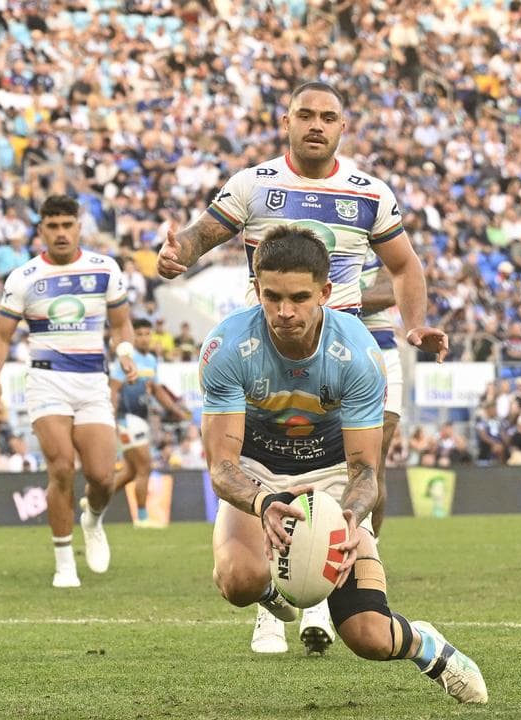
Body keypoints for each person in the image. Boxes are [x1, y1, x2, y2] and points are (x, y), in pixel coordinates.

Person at [156, 80, 448, 656]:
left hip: (353, 348)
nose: (317, 125)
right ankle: (274, 595)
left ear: (343, 127)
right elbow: (200, 235)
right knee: (268, 458)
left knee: (369, 461)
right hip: (273, 342)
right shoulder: (254, 184)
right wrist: (178, 253)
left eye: (329, 117)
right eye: (306, 115)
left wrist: (414, 325)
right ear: (286, 121)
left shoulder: (368, 193)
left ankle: (321, 575)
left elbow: (405, 266)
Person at [200, 227, 486, 703]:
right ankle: (273, 594)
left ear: (325, 293)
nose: (284, 312)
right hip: (260, 472)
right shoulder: (227, 346)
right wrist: (266, 500)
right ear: (256, 289)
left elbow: (365, 472)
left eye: (299, 297)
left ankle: (430, 646)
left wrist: (351, 517)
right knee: (237, 582)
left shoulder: (356, 354)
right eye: (271, 296)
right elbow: (223, 466)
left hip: (333, 477)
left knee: (369, 636)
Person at [0, 194, 136, 589]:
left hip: (92, 383)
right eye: (53, 226)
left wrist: (127, 351)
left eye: (68, 225)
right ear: (41, 230)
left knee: (102, 476)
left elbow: (121, 325)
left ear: (79, 226)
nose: (61, 233)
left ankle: (93, 519)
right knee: (62, 467)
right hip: (47, 380)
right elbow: (1, 336)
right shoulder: (23, 277)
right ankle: (64, 562)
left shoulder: (105, 269)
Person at [110, 317, 189, 528]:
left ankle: (93, 500)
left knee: (130, 471)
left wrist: (175, 410)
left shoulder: (152, 361)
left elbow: (157, 390)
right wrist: (113, 420)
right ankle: (143, 518)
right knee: (145, 466)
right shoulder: (127, 359)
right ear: (133, 337)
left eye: (147, 334)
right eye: (140, 334)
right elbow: (114, 390)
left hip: (142, 419)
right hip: (127, 418)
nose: (144, 338)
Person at [357, 249, 404, 537]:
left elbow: (391, 291)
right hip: (332, 354)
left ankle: (368, 552)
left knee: (374, 465)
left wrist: (334, 300)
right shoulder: (318, 237)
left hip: (382, 354)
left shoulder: (379, 245)